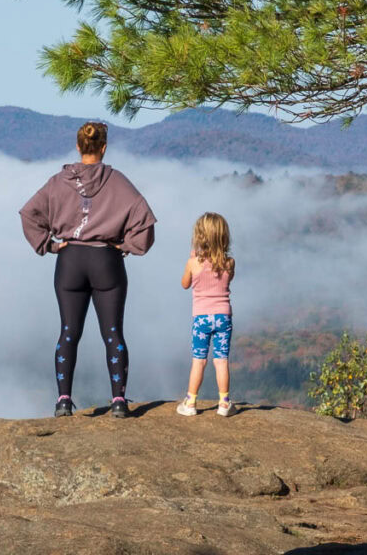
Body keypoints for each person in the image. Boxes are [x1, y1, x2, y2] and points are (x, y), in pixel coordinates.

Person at [19, 122, 156, 418]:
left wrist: (51, 245)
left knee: (68, 332)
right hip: (107, 261)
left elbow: (29, 213)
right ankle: (119, 401)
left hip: (70, 262)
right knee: (113, 334)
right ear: (104, 148)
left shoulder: (59, 182)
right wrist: (125, 246)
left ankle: (64, 401)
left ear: (79, 147)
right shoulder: (118, 182)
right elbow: (145, 222)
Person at [176, 212, 237, 417]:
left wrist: (192, 262)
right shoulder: (230, 263)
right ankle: (224, 403)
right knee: (221, 360)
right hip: (223, 316)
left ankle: (191, 402)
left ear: (199, 237)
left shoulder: (193, 263)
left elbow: (185, 284)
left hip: (201, 318)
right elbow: (226, 282)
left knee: (199, 360)